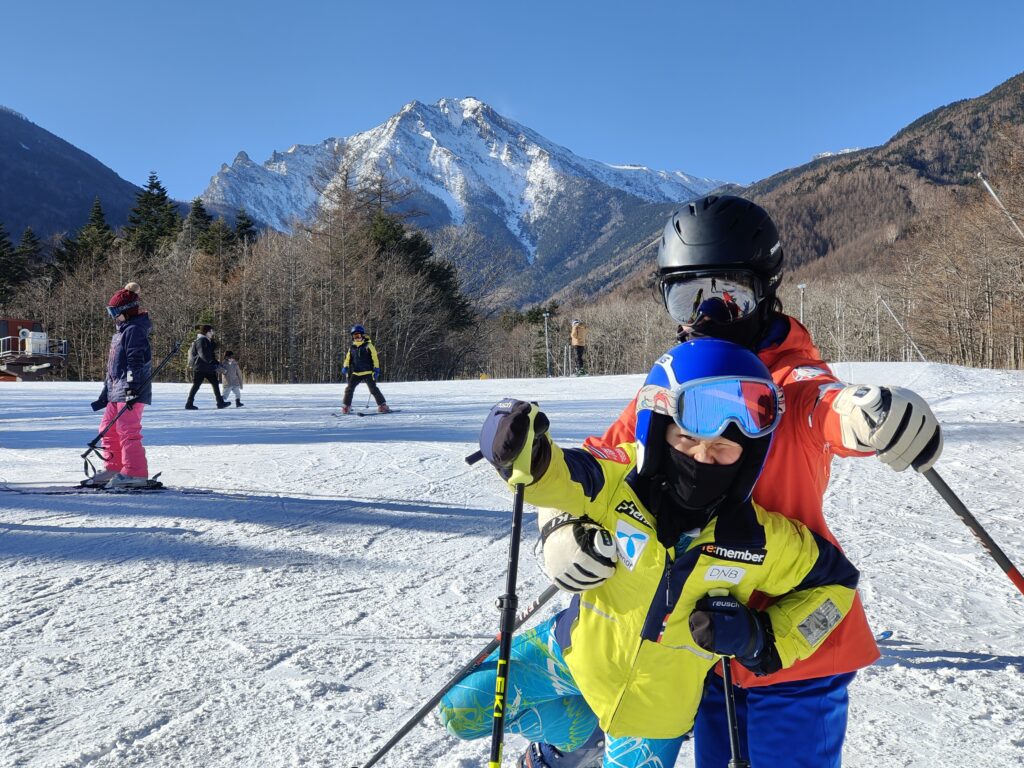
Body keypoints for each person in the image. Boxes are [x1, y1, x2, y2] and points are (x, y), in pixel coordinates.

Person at [526, 194, 943, 767]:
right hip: (703, 642)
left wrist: (864, 416)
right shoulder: (682, 377)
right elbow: (600, 461)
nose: (707, 316)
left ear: (766, 291)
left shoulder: (789, 378)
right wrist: (558, 525)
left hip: (793, 654)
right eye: (687, 296)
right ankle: (574, 735)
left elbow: (819, 404)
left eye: (730, 296)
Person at [440, 339, 860, 768]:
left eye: (723, 448)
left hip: (654, 715)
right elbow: (564, 473)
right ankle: (581, 733)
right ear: (658, 435)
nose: (702, 457)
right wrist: (521, 451)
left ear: (749, 456)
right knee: (459, 709)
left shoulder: (757, 538)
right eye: (687, 438)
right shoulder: (621, 480)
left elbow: (837, 584)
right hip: (573, 655)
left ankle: (594, 737)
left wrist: (762, 638)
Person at [87, 282, 154, 489]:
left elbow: (135, 361)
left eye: (114, 312)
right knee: (107, 429)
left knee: (127, 430)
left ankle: (135, 472)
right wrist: (105, 392)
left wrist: (132, 387)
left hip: (131, 390)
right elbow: (113, 368)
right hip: (116, 391)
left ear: (127, 311)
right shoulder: (121, 332)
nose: (113, 316)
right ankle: (114, 467)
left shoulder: (134, 330)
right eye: (110, 312)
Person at [340, 324, 390, 414]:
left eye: (358, 336)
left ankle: (382, 405)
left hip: (368, 372)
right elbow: (348, 358)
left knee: (373, 389)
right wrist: (345, 366)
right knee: (349, 389)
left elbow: (374, 357)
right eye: (355, 336)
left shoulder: (368, 345)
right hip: (356, 373)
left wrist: (376, 368)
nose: (357, 338)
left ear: (362, 335)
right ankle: (346, 406)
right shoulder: (352, 348)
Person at [185, 324, 229, 410]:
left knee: (215, 383)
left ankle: (220, 402)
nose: (212, 333)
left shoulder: (207, 341)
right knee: (196, 385)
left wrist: (217, 364)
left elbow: (211, 355)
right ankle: (189, 403)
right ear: (206, 332)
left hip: (207, 367)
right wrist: (213, 363)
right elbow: (203, 355)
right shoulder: (201, 341)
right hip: (201, 367)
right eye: (211, 331)